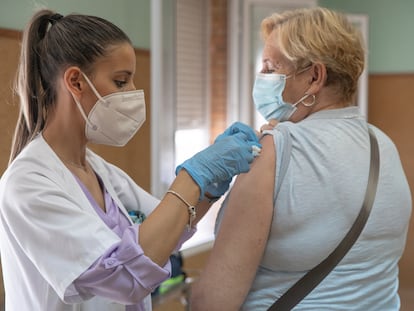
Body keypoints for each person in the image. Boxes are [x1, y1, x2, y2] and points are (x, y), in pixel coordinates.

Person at [0, 9, 261, 311]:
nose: (134, 93)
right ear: (76, 81)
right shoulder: (27, 184)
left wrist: (211, 187)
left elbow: (164, 232)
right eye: (121, 82)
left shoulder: (98, 170)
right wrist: (194, 175)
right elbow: (124, 277)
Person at [191, 7, 412, 311]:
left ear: (314, 77)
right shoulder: (383, 144)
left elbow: (214, 302)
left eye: (270, 67)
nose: (262, 78)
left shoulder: (275, 151)